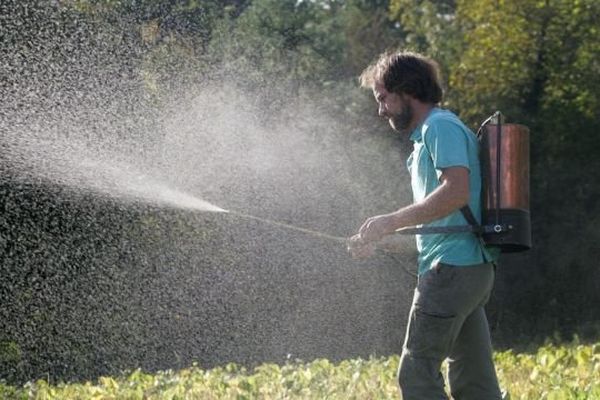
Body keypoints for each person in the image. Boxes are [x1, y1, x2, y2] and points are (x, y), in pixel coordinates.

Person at [348, 51, 503, 400]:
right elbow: (447, 226)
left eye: (383, 98)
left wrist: (390, 220)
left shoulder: (440, 126)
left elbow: (456, 193)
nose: (381, 110)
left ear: (405, 90)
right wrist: (384, 240)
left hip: (451, 273)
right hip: (467, 270)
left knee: (416, 376)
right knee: (476, 385)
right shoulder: (428, 137)